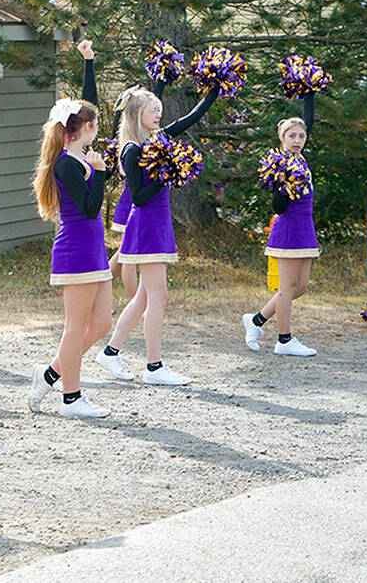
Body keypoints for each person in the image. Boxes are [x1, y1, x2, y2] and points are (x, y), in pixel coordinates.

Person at [98, 80, 218, 386]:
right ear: (138, 113)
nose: (158, 116)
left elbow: (187, 121)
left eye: (160, 111)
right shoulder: (131, 149)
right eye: (154, 111)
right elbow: (138, 196)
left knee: (143, 297)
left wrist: (213, 91)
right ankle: (154, 366)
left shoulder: (158, 139)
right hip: (146, 226)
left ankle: (111, 352)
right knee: (158, 296)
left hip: (159, 223)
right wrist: (167, 175)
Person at [27, 41, 114, 416]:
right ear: (86, 129)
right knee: (76, 326)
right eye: (94, 124)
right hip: (76, 248)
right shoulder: (67, 164)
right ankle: (71, 398)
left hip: (93, 246)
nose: (98, 127)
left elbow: (87, 103)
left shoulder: (80, 155)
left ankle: (49, 374)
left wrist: (90, 62)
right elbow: (92, 206)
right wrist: (102, 172)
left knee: (103, 322)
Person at [244, 95, 319, 356]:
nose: (297, 140)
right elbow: (278, 207)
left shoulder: (301, 160)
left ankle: (256, 320)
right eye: (292, 136)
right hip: (288, 230)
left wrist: (309, 93)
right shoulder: (282, 164)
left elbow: (308, 119)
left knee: (300, 287)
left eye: (301, 136)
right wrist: (281, 182)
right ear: (282, 140)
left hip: (305, 229)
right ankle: (284, 340)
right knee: (286, 288)